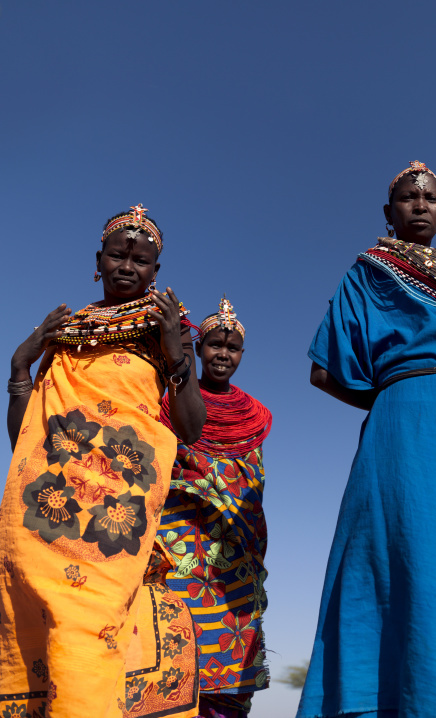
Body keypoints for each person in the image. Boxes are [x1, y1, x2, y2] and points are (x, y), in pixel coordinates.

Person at [297, 162, 436, 718]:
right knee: (411, 551)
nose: (419, 204)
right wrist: (398, 396)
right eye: (407, 197)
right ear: (388, 212)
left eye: (430, 197)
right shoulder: (368, 270)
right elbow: (325, 371)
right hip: (408, 425)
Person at [0, 204, 206, 717]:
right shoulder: (67, 329)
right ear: (99, 259)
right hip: (46, 500)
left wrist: (175, 353)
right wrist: (21, 363)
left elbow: (193, 426)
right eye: (118, 255)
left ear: (157, 271)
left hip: (114, 504)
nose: (127, 267)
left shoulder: (167, 327)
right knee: (26, 603)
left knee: (89, 618)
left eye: (141, 260)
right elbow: (25, 434)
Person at [158, 297, 272, 718]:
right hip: (180, 543)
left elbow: (254, 490)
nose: (223, 354)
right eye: (214, 345)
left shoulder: (255, 417)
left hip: (237, 553)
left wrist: (256, 548)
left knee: (232, 648)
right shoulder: (172, 402)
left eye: (233, 347)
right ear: (199, 348)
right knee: (174, 646)